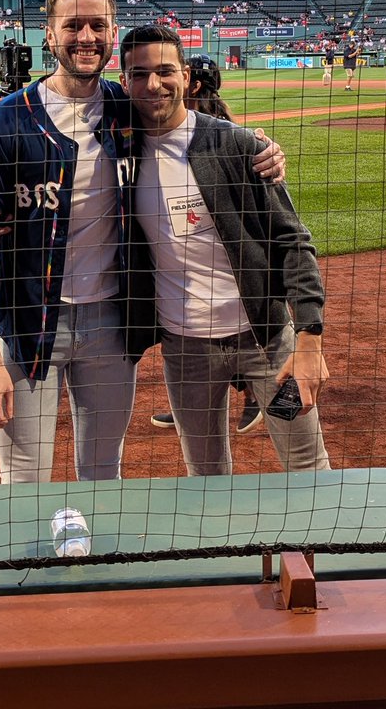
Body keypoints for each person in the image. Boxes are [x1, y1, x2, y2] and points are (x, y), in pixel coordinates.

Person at [0, 0, 284, 484]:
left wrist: (258, 151)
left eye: (97, 25)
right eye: (73, 25)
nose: (85, 36)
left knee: (102, 473)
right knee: (22, 481)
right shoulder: (5, 121)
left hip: (110, 324)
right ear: (50, 34)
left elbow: (193, 133)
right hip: (27, 325)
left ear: (112, 32)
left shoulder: (126, 107)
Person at [120, 24, 330, 477]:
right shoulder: (119, 153)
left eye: (165, 71)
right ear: (124, 81)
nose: (153, 84)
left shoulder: (236, 145)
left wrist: (310, 338)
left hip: (268, 342)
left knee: (307, 468)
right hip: (185, 351)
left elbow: (293, 240)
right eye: (139, 74)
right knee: (206, 475)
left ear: (187, 78)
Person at [151, 53, 281, 437]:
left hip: (246, 302)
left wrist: (268, 153)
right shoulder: (159, 128)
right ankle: (197, 403)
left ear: (190, 81)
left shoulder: (222, 131)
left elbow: (287, 234)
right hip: (195, 321)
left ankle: (254, 395)